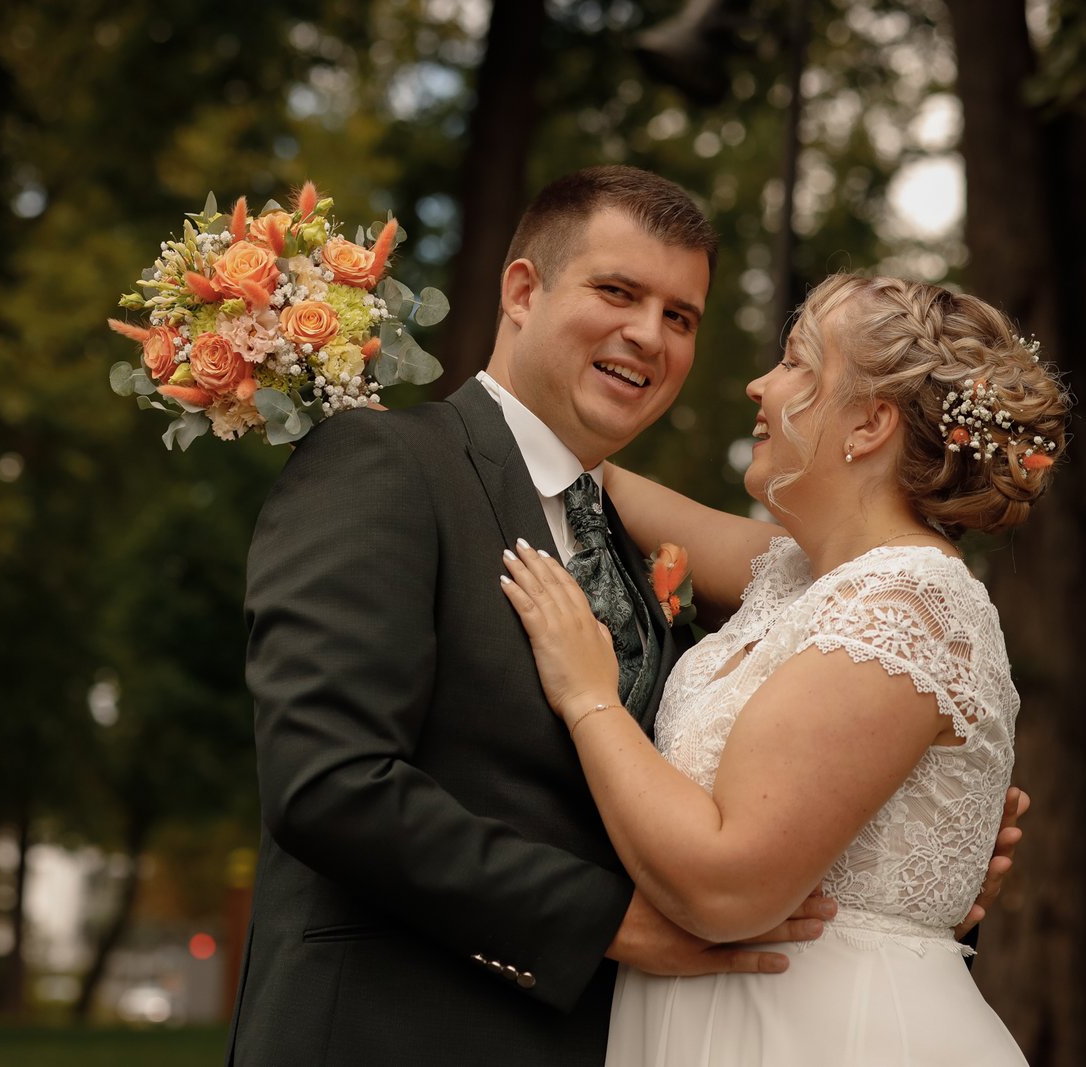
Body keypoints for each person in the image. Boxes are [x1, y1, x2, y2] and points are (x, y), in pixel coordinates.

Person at [226, 170, 1022, 1067]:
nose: (649, 334)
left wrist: (902, 833)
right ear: (523, 291)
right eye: (617, 292)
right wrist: (606, 922)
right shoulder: (387, 466)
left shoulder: (663, 559)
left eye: (680, 317)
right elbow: (329, 783)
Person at [499, 272, 1064, 1065]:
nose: (759, 385)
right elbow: (586, 477)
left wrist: (589, 697)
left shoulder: (910, 605)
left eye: (797, 363)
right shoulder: (798, 573)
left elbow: (727, 886)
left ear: (868, 424)